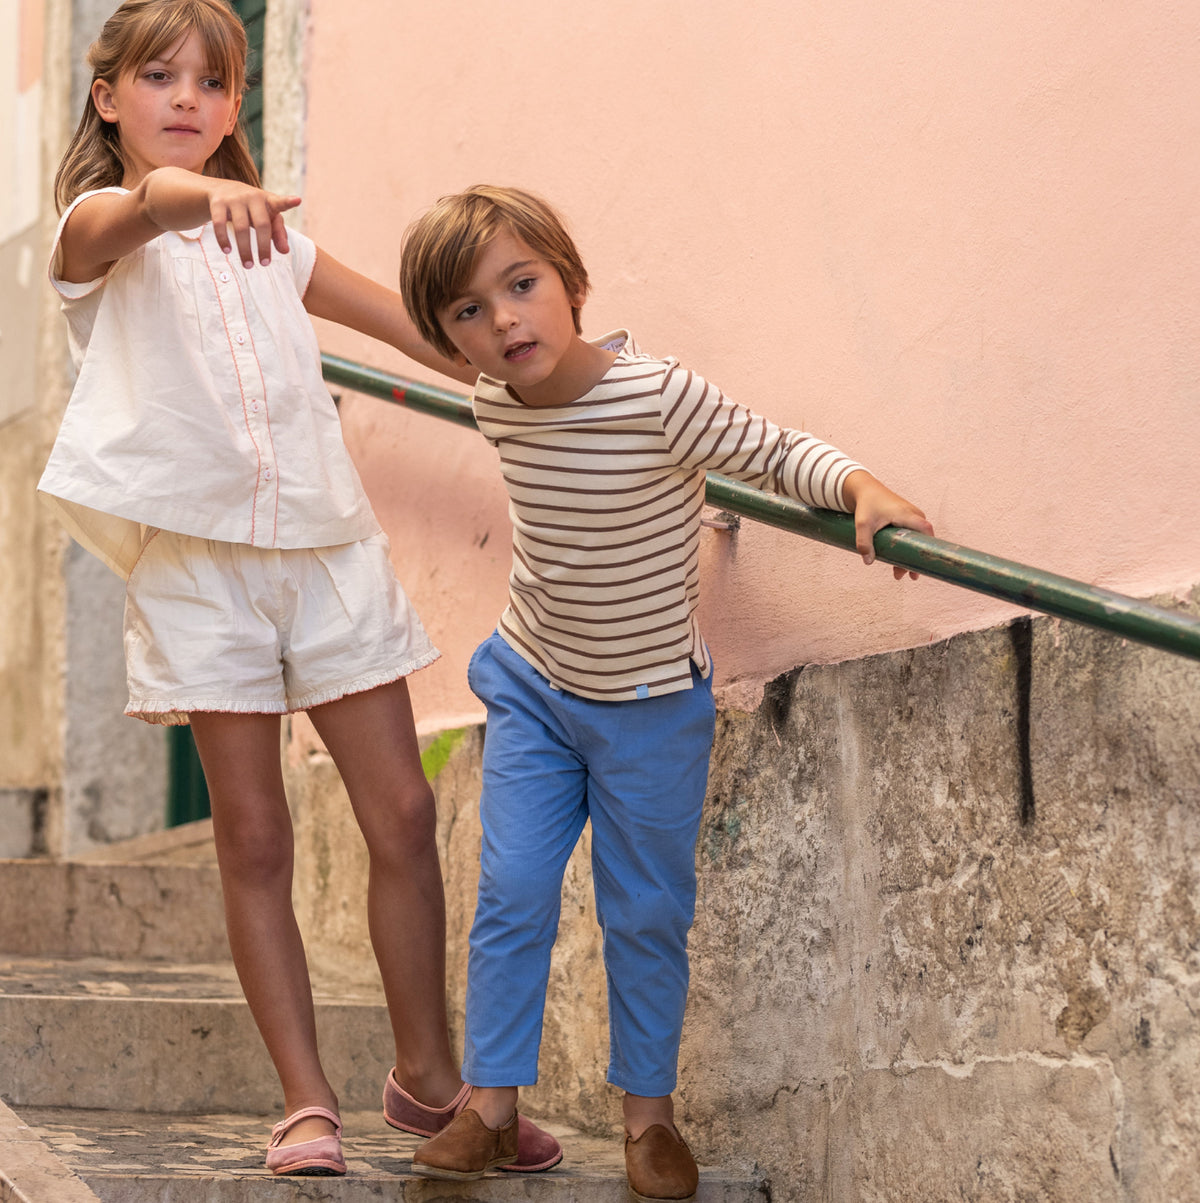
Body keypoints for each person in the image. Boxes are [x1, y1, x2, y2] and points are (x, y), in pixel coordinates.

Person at [40, 2, 560, 1179]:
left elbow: (427, 335)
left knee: (402, 816)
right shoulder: (92, 229)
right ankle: (305, 1101)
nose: (189, 100)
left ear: (236, 103)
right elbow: (147, 209)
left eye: (215, 84)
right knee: (257, 833)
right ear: (106, 93)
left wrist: (542, 369)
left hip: (326, 552)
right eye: (161, 77)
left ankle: (430, 1087)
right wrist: (199, 195)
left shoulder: (280, 244)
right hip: (198, 566)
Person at [398, 184, 934, 1200]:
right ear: (450, 337)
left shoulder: (655, 396)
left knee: (644, 912)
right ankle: (493, 1106)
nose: (504, 320)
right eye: (470, 310)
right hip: (532, 686)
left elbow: (772, 451)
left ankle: (649, 1119)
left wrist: (860, 486)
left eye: (523, 285)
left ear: (573, 283)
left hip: (650, 709)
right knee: (509, 895)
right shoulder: (491, 400)